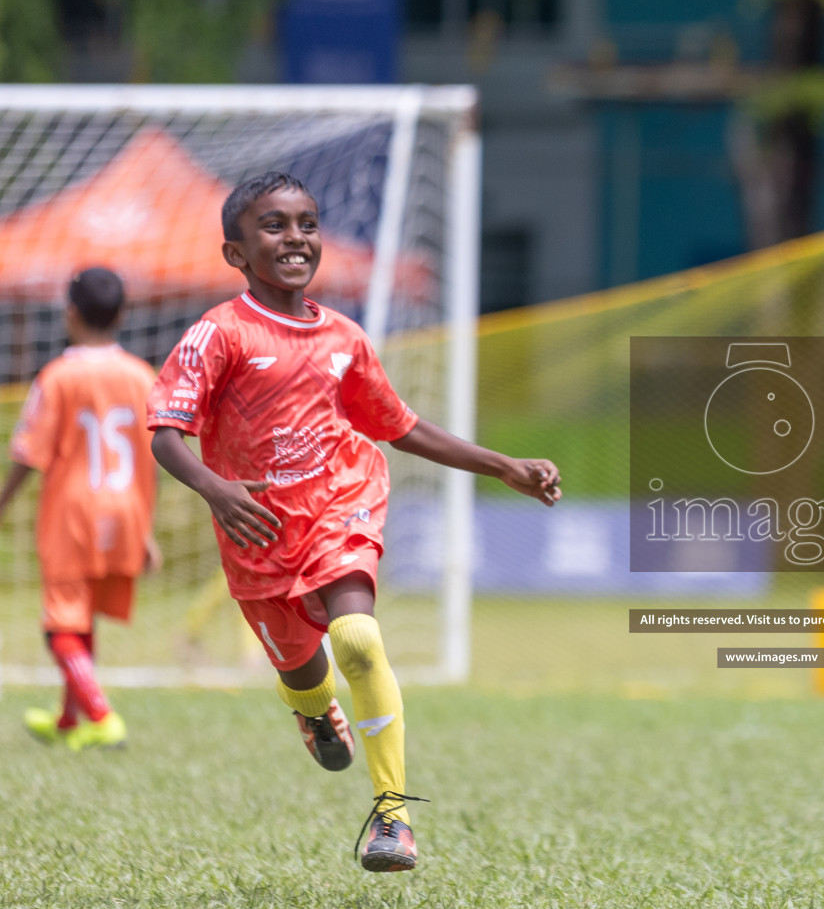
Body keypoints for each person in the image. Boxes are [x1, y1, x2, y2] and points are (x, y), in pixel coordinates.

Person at [146, 172, 561, 873]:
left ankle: (392, 817)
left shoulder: (344, 338)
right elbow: (164, 431)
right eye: (273, 226)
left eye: (307, 222)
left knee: (359, 640)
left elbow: (400, 427)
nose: (296, 237)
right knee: (304, 675)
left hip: (343, 506)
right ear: (235, 253)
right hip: (258, 536)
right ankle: (312, 712)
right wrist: (216, 490)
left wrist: (502, 466)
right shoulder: (218, 334)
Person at [0, 268, 157, 751]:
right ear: (123, 314)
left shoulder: (59, 376)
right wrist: (145, 530)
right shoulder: (141, 375)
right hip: (127, 510)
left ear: (69, 313)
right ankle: (69, 721)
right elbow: (150, 450)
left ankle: (101, 714)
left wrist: (3, 503)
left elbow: (29, 452)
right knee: (82, 617)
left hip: (73, 513)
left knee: (60, 627)